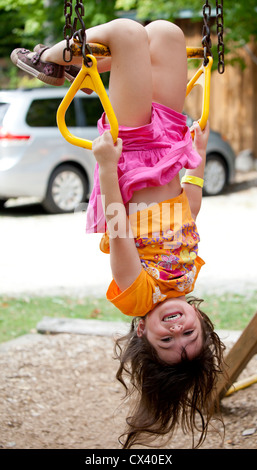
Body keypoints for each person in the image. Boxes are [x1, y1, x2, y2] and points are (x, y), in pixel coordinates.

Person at [11, 19, 225, 448]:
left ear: (143, 334)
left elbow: (118, 225)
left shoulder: (137, 294)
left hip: (131, 156)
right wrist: (197, 161)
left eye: (168, 339)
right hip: (168, 143)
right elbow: (190, 212)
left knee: (128, 32)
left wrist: (107, 166)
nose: (177, 328)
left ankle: (48, 61)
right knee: (164, 33)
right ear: (202, 322)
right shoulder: (186, 278)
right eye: (190, 334)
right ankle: (91, 73)